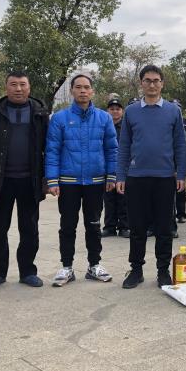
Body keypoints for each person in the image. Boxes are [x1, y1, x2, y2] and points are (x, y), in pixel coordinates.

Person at [0, 71, 49, 289]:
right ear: (6, 87)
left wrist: (49, 178)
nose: (18, 89)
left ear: (29, 87)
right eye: (13, 84)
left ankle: (28, 271)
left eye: (22, 84)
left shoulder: (40, 114)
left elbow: (50, 147)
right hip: (0, 181)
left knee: (29, 229)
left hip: (30, 181)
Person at [117, 65, 186, 289]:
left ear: (162, 84)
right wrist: (121, 175)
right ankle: (136, 270)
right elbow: (124, 145)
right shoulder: (131, 112)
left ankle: (163, 270)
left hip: (165, 177)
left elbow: (180, 144)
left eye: (156, 80)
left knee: (164, 228)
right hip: (136, 177)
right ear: (141, 83)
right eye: (147, 80)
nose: (152, 84)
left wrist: (181, 173)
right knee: (137, 228)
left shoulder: (173, 111)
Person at [45, 74, 117, 286]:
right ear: (72, 91)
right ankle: (67, 267)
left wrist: (111, 175)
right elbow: (52, 150)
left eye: (86, 87)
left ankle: (94, 265)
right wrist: (52, 179)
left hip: (95, 181)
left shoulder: (104, 118)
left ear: (92, 91)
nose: (83, 91)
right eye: (78, 87)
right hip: (68, 181)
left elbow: (112, 149)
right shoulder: (59, 118)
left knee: (93, 225)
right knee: (67, 225)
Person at [101, 98, 130, 238]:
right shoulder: (103, 126)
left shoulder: (126, 127)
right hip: (107, 168)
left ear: (122, 111)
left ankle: (124, 227)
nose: (115, 111)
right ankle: (109, 227)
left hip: (123, 168)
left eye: (117, 109)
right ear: (107, 111)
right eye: (112, 109)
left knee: (123, 199)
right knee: (109, 199)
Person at [173, 99, 186, 229]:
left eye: (178, 107)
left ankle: (181, 214)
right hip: (168, 162)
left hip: (181, 161)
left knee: (180, 190)